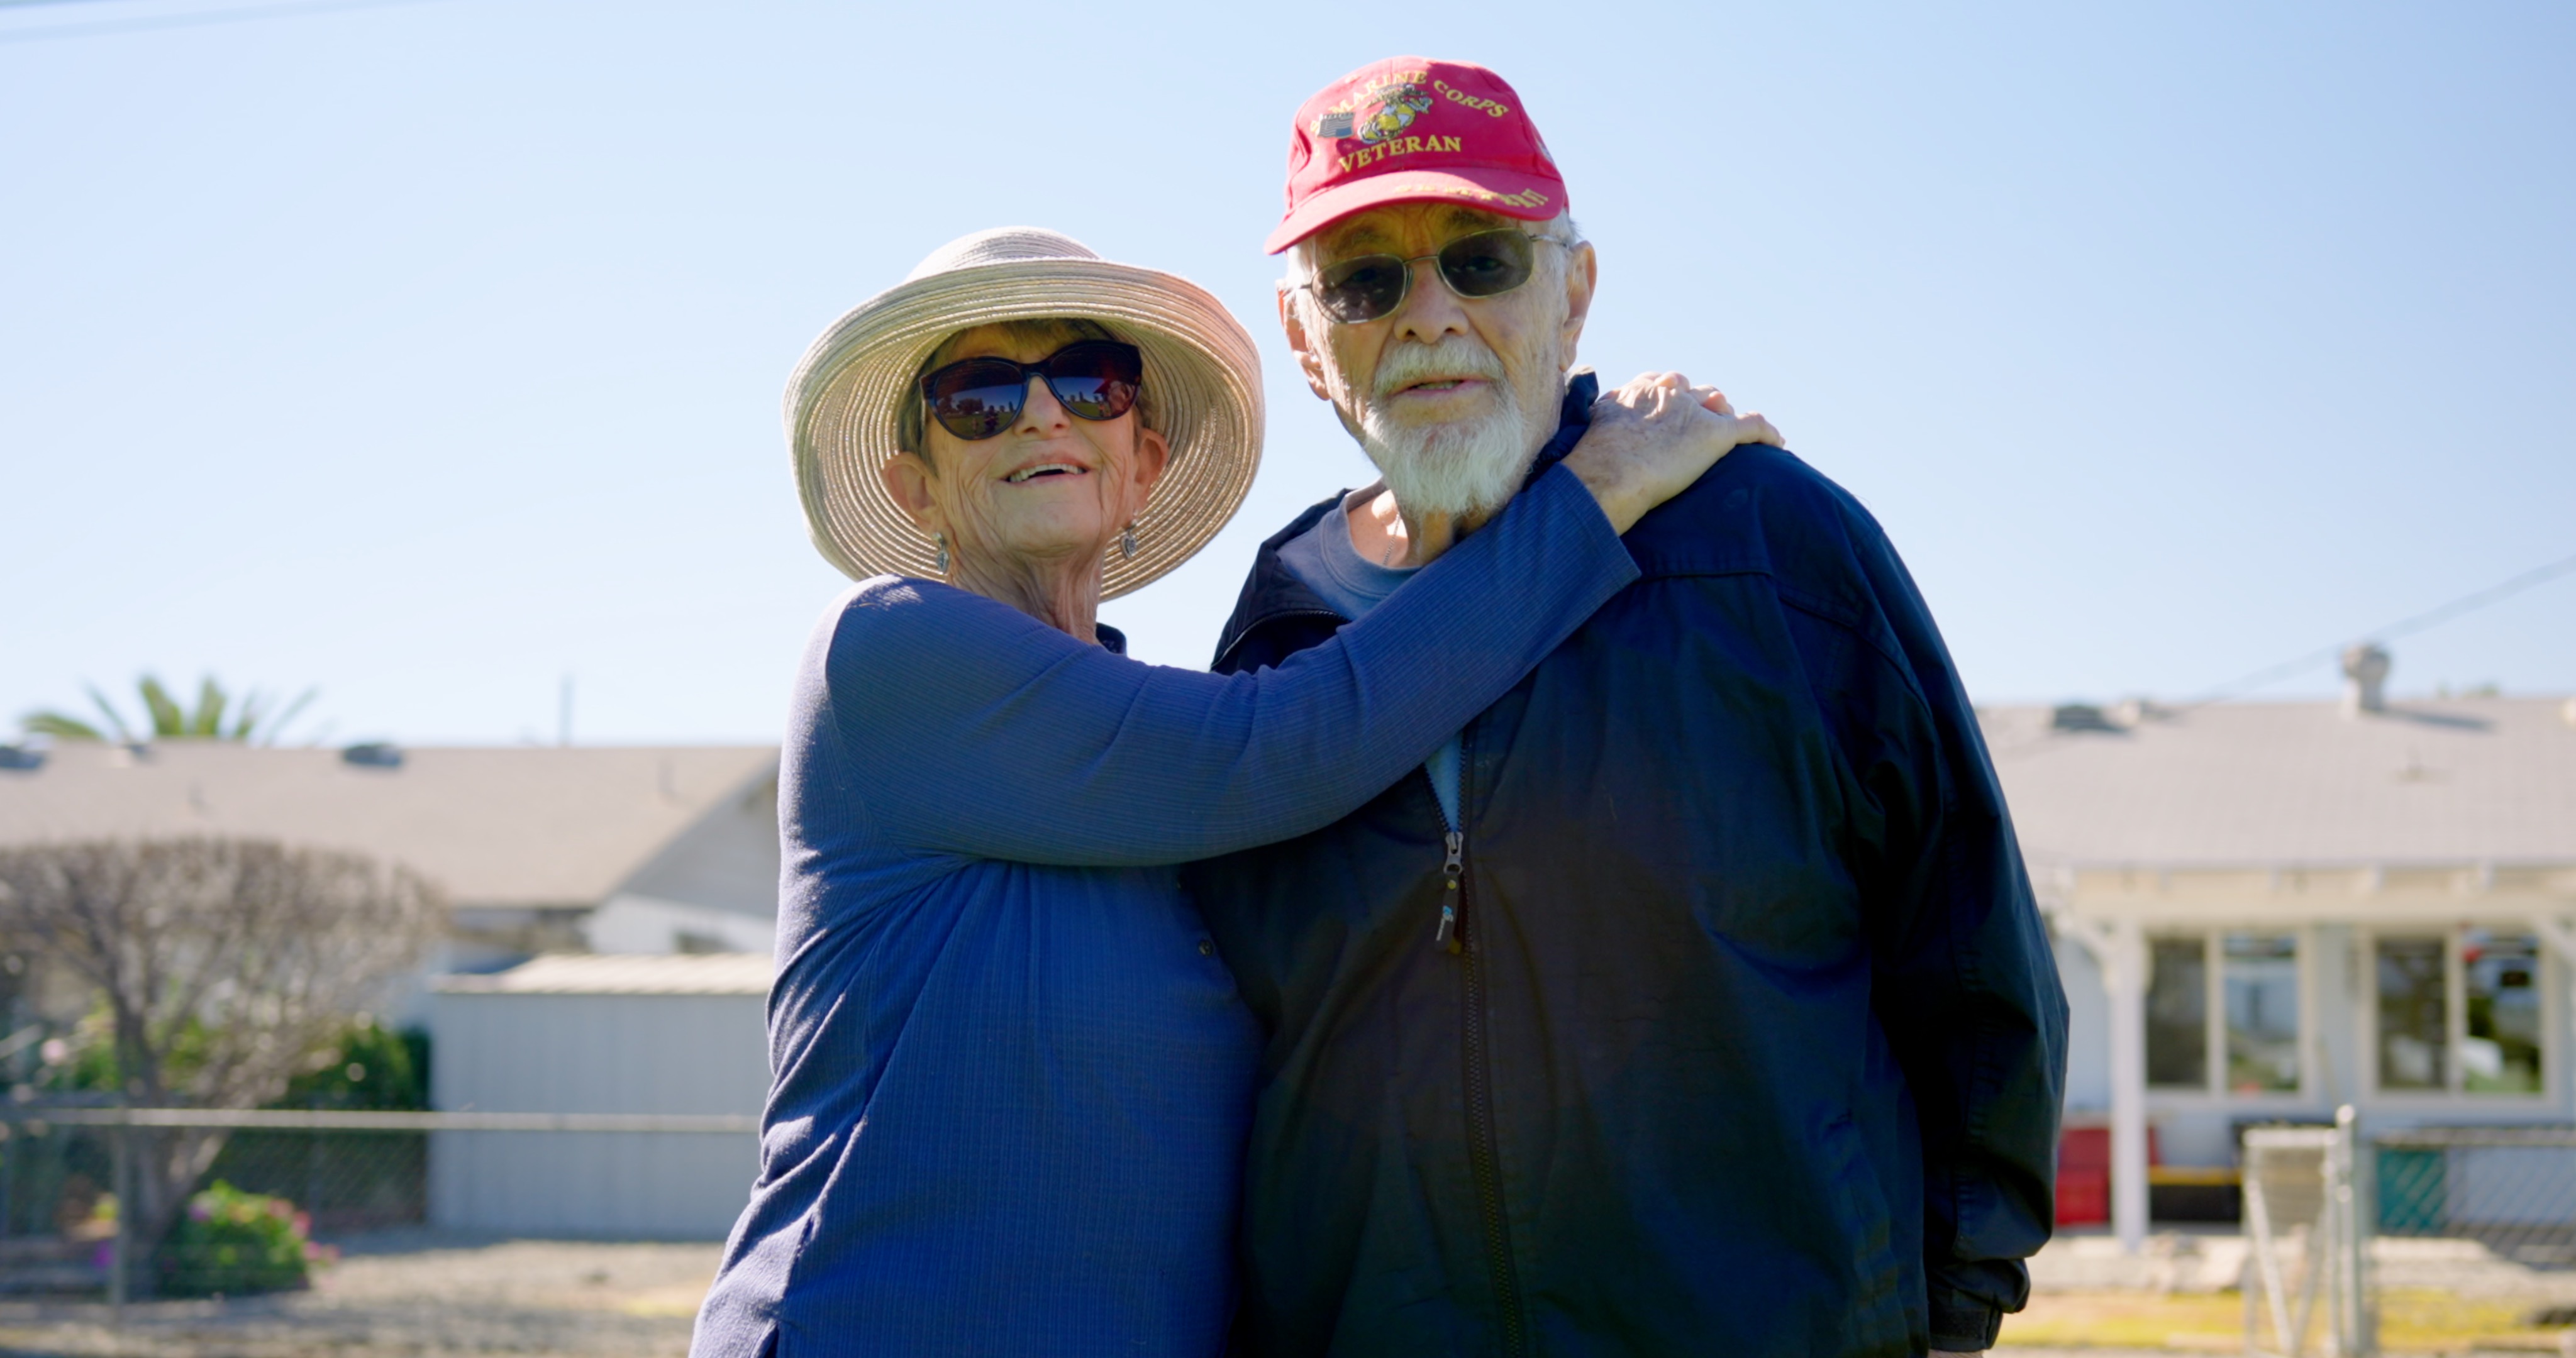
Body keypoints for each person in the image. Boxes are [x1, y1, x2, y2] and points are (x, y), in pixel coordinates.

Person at [686, 226, 1779, 1358]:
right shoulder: (887, 654)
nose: (1042, 416)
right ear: (915, 484)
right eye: (978, 397)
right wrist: (1595, 490)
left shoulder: (1157, 766)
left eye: (1087, 382)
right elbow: (1285, 745)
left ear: (1143, 460)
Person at [1180, 58, 2070, 1357]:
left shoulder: (1766, 541)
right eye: (1364, 281)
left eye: (1480, 259)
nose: (1427, 313)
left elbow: (1967, 937)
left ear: (1573, 294)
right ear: (1307, 338)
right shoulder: (1274, 628)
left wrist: (1939, 1307)